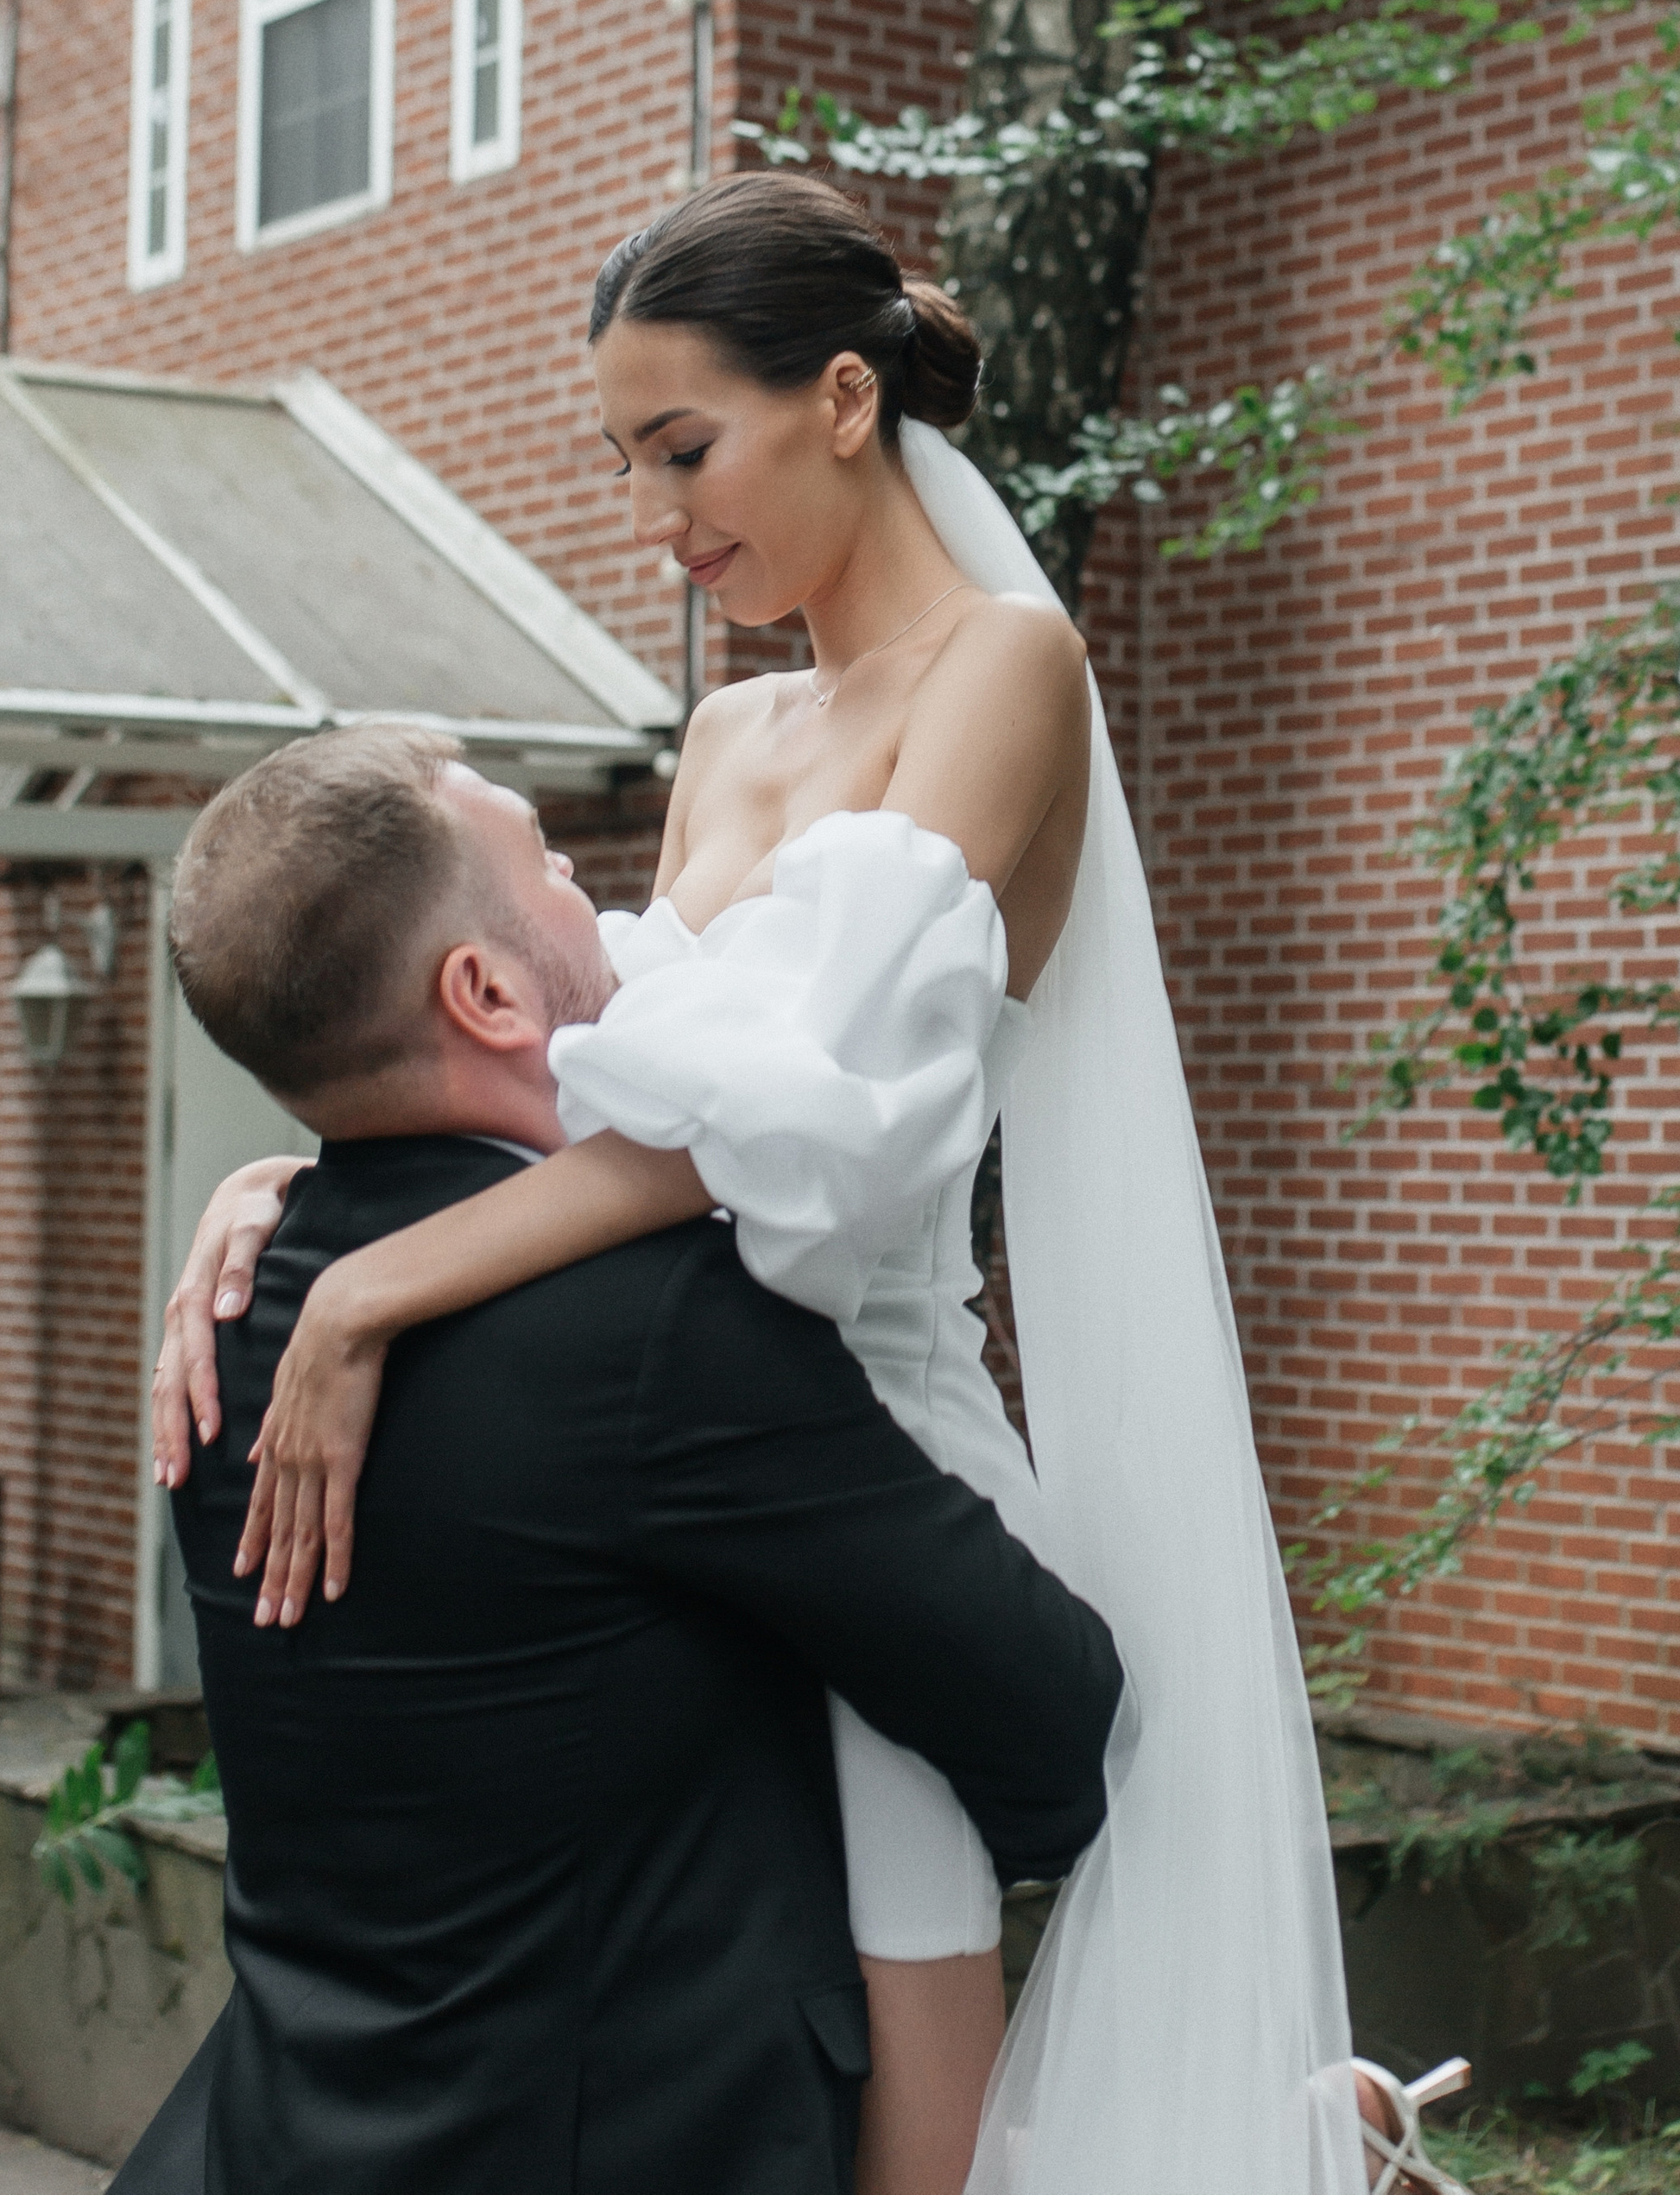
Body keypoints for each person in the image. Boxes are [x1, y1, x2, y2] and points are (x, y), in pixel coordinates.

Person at [157, 171, 1373, 2195]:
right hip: (685, 1444)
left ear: (838, 399)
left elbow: (817, 1121)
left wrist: (381, 1285)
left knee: (921, 2115)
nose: (656, 517)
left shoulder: (1005, 671)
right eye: (626, 464)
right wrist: (301, 1184)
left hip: (868, 1444)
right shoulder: (726, 733)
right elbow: (613, 1087)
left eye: (681, 448)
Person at [119, 724, 1121, 2195]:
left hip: (281, 2144)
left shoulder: (221, 1323)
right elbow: (1049, 1728)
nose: (605, 906)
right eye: (554, 865)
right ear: (486, 991)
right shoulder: (653, 1333)